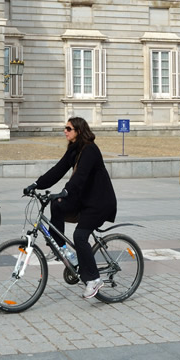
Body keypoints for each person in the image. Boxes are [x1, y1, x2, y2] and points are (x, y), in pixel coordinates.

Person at [25, 117, 116, 299]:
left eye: (68, 128)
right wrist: (36, 184)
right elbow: (58, 170)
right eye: (65, 128)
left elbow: (80, 176)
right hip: (84, 200)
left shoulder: (90, 149)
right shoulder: (74, 149)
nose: (65, 131)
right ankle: (63, 250)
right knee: (56, 205)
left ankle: (94, 280)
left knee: (80, 236)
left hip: (99, 202)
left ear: (79, 131)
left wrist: (66, 190)